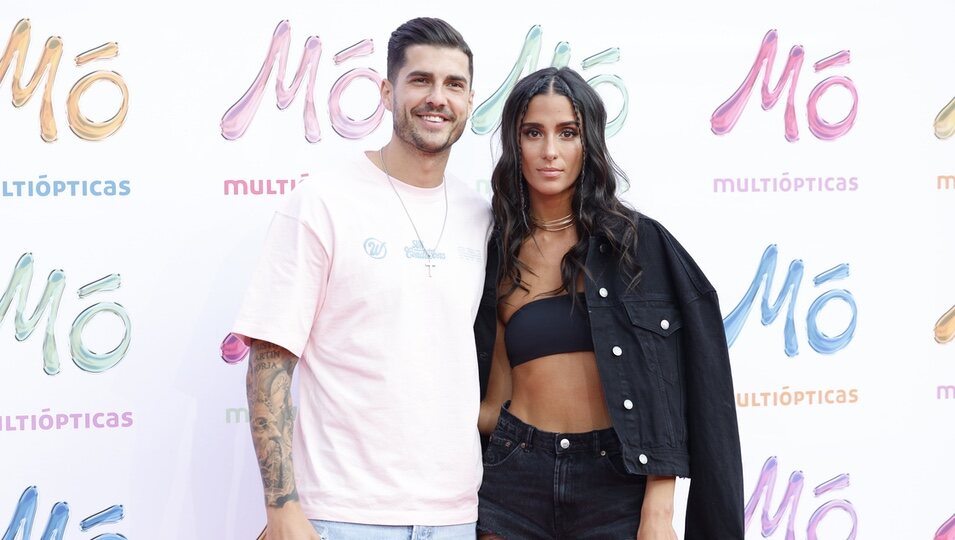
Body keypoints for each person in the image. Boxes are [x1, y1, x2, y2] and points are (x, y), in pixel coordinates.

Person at [231, 17, 491, 540]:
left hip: (456, 516)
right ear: (388, 91)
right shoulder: (323, 201)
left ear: (468, 100)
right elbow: (269, 362)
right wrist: (282, 510)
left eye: (453, 84)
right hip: (340, 515)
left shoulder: (481, 215)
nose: (436, 97)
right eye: (420, 80)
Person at [475, 67, 744, 539]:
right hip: (514, 477)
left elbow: (680, 385)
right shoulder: (495, 252)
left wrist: (658, 504)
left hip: (614, 482)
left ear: (590, 142)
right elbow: (494, 401)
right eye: (533, 133)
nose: (550, 151)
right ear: (514, 145)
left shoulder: (641, 246)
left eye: (568, 132)